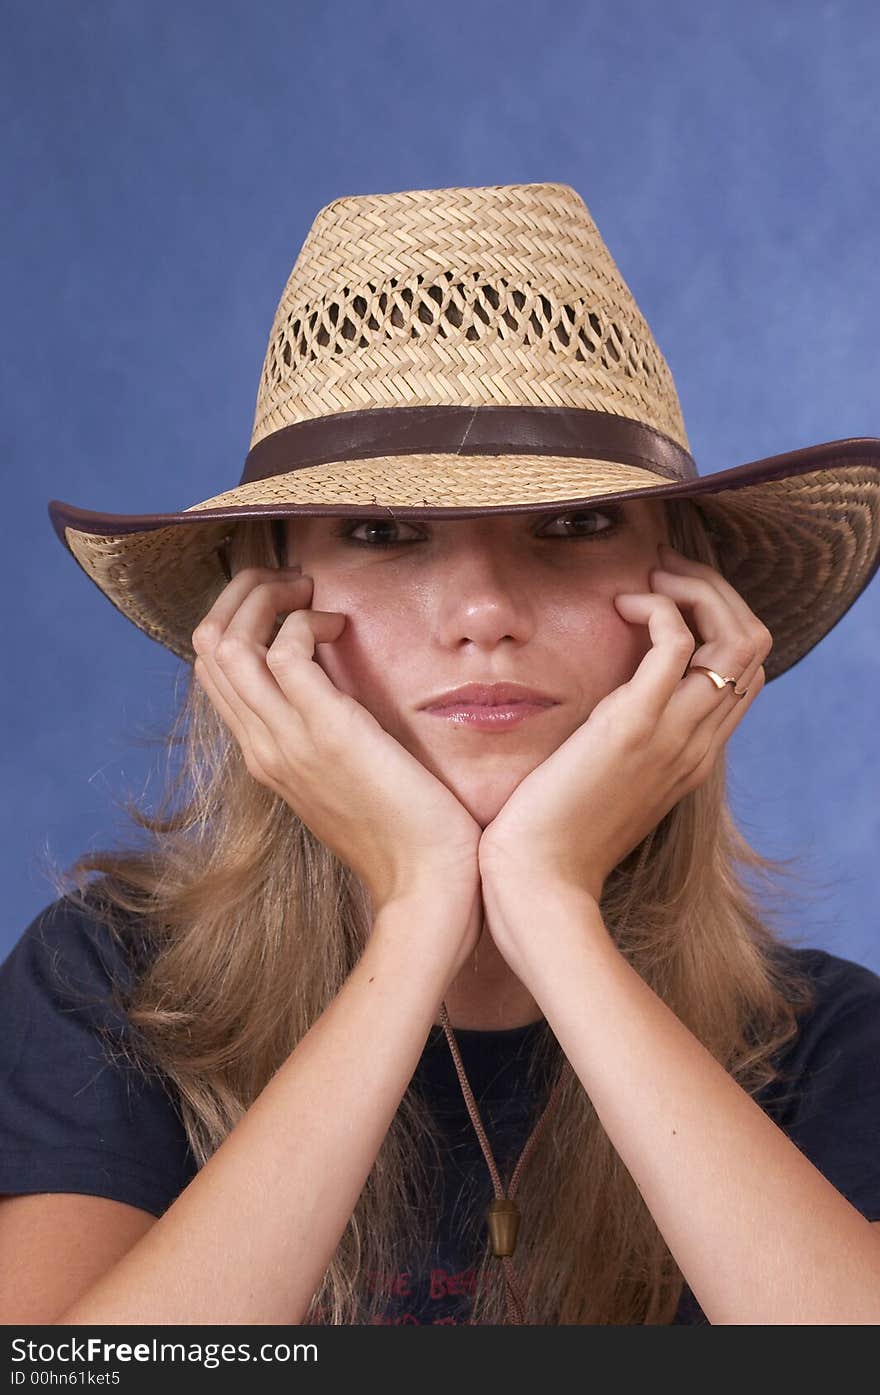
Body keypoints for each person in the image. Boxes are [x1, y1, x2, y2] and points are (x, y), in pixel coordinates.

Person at [2, 181, 880, 1326]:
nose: (481, 609)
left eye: (570, 526)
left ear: (689, 601)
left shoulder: (822, 1045)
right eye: (382, 532)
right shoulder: (112, 990)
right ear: (262, 611)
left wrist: (547, 908)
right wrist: (417, 911)